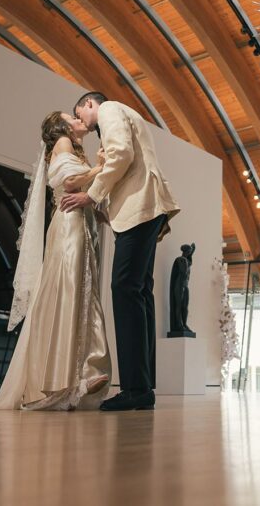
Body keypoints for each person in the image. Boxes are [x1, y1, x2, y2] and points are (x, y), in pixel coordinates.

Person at [61, 91, 180, 412]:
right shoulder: (120, 115)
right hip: (144, 208)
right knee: (139, 293)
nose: (83, 122)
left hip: (140, 208)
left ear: (89, 104)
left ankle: (135, 388)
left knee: (125, 290)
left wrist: (92, 196)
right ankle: (141, 387)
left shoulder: (110, 109)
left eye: (80, 113)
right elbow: (124, 159)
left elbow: (122, 154)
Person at [0, 112, 112, 411]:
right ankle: (67, 381)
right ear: (61, 127)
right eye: (71, 116)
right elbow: (69, 181)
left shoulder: (71, 148)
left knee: (78, 293)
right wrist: (99, 168)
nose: (77, 118)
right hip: (70, 225)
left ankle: (71, 378)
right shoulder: (62, 143)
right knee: (71, 292)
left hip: (78, 223)